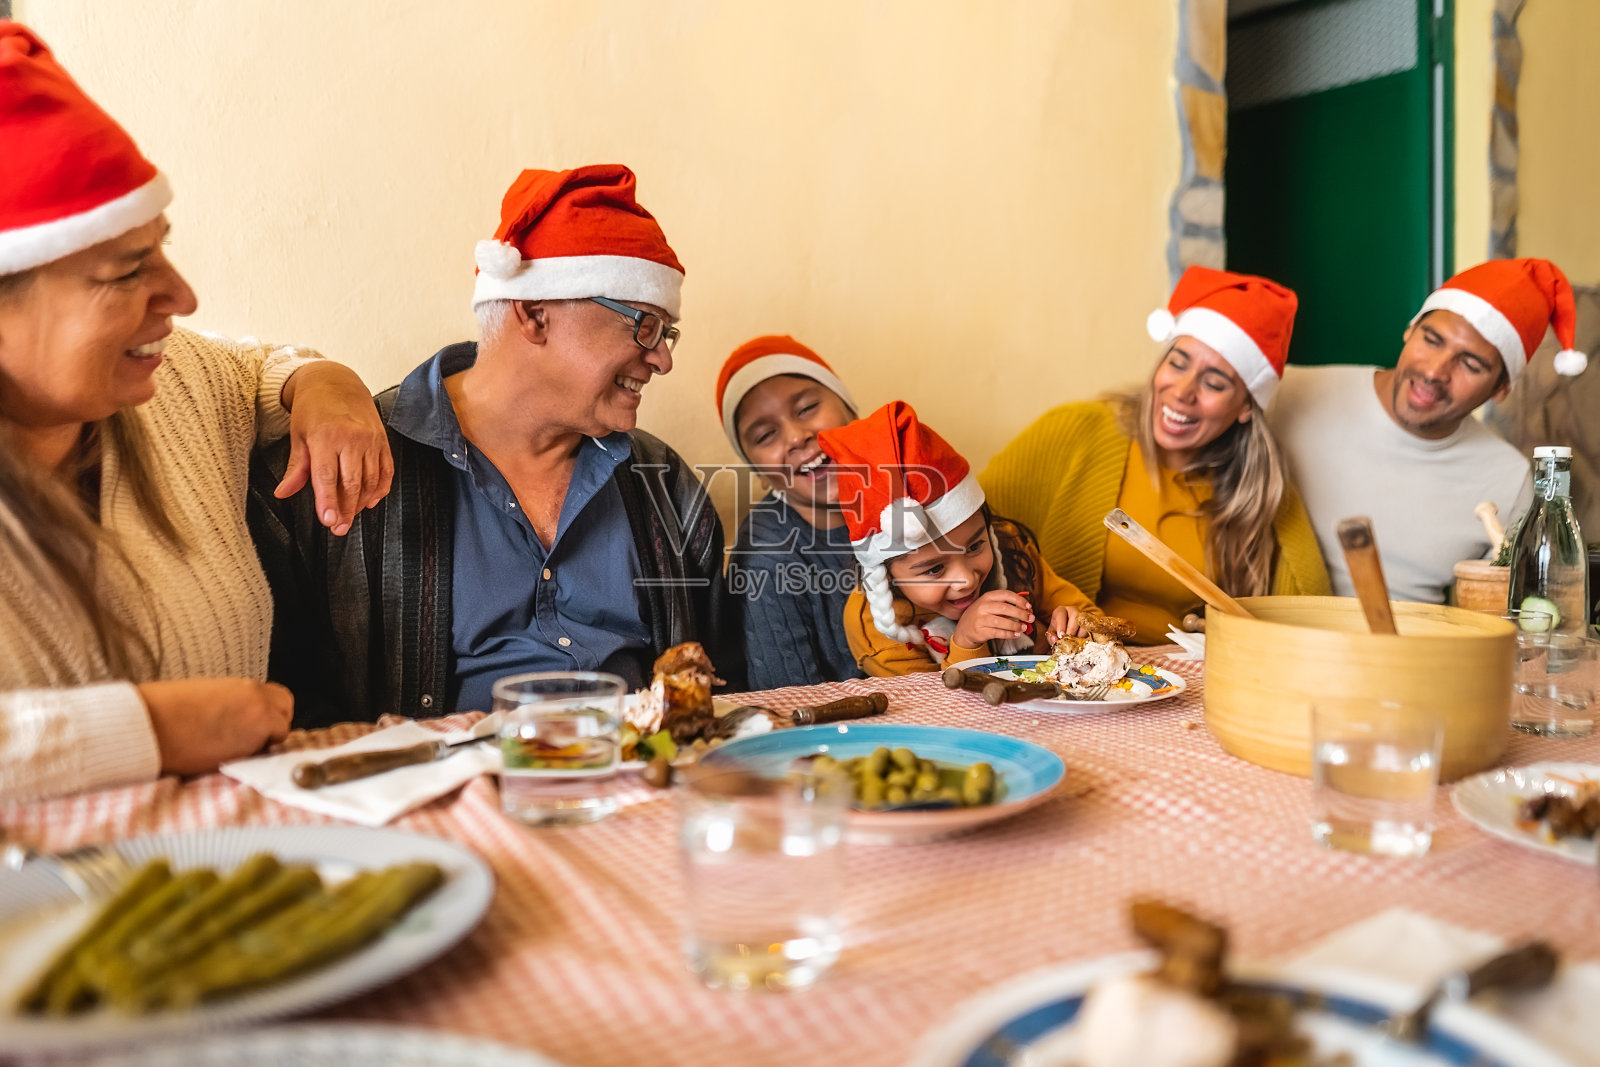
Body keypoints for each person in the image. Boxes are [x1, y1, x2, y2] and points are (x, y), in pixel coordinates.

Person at [0, 23, 392, 802]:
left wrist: (322, 382)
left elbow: (256, 367)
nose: (182, 296)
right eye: (126, 272)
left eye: (163, 249)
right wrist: (146, 728)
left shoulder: (168, 385)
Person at [253, 164, 739, 725]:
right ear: (534, 313)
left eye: (666, 333)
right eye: (644, 325)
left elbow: (726, 686)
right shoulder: (343, 463)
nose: (663, 359)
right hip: (427, 778)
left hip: (644, 771)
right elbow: (289, 702)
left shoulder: (664, 483)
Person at [982, 267, 1329, 643]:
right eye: (1177, 363)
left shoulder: (1259, 492)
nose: (1182, 391)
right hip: (1069, 663)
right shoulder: (1079, 430)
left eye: (1214, 383)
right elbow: (963, 525)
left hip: (1180, 672)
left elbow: (1311, 619)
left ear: (1246, 406)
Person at [1268, 258, 1589, 604]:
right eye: (1432, 340)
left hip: (1413, 637)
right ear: (1410, 330)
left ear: (1501, 388)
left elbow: (1503, 612)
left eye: (1470, 364)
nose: (1435, 372)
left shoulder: (1509, 481)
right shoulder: (1285, 394)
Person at [821, 400, 1100, 676]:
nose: (966, 579)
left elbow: (1098, 623)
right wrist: (967, 644)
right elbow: (924, 703)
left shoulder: (1012, 549)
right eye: (934, 569)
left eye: (975, 546)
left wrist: (1080, 626)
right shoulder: (876, 628)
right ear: (888, 574)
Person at [717, 335, 864, 689]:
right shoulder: (768, 556)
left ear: (851, 411)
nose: (797, 437)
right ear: (759, 472)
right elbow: (790, 705)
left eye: (807, 408)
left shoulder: (911, 497)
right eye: (766, 435)